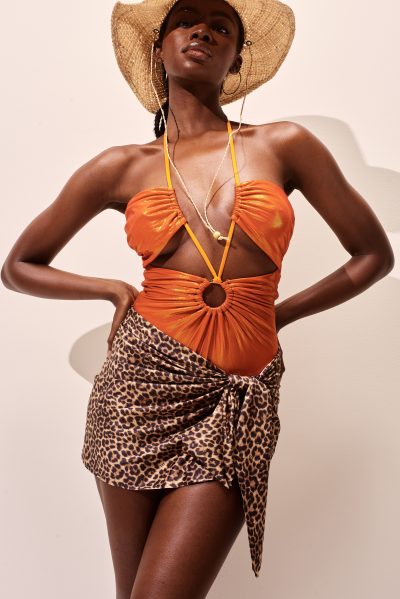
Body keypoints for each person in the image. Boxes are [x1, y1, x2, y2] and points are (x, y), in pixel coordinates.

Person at [1, 0, 394, 597]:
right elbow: (19, 267)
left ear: (236, 59)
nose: (203, 31)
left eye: (221, 27)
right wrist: (111, 289)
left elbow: (373, 255)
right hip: (137, 390)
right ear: (158, 49)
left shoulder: (285, 143)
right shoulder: (121, 165)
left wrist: (277, 315)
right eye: (186, 21)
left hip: (235, 398)